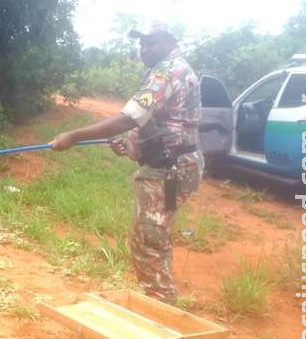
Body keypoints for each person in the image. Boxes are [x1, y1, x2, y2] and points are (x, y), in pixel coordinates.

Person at [50, 22, 203, 304]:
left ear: (170, 41)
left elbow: (129, 118)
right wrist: (131, 143)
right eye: (141, 44)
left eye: (151, 42)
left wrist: (73, 135)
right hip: (170, 166)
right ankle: (158, 303)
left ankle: (161, 312)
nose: (144, 49)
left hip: (169, 171)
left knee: (150, 240)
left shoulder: (167, 72)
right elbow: (162, 124)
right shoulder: (171, 69)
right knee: (152, 237)